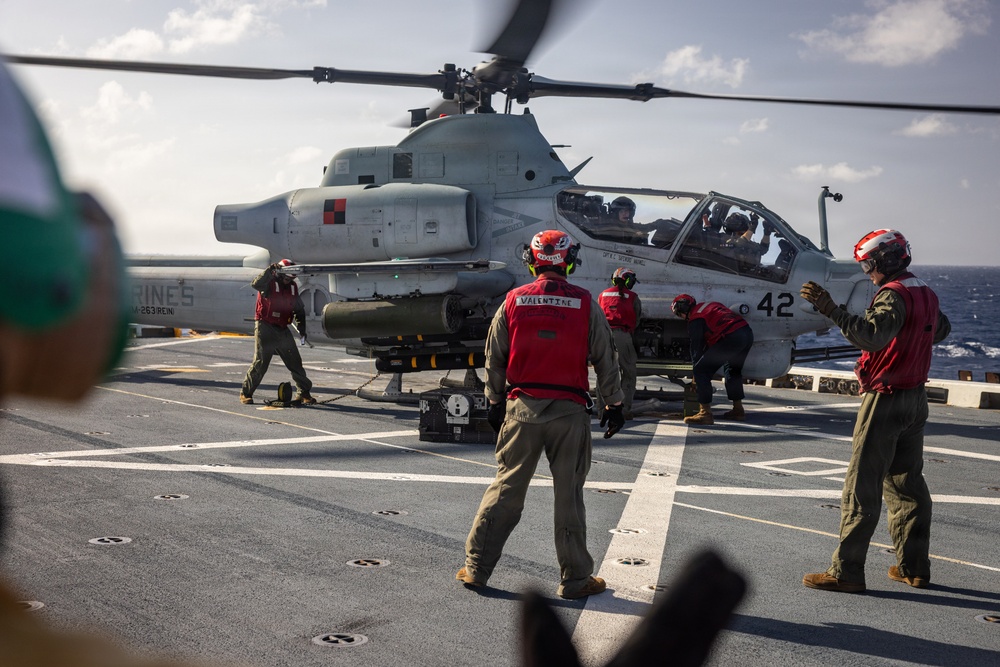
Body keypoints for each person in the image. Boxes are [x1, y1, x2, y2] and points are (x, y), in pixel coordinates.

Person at [457, 229, 625, 600]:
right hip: (569, 413)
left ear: (532, 261)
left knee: (506, 488)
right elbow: (605, 359)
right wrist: (613, 404)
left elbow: (494, 359)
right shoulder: (585, 303)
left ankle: (476, 568)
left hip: (522, 409)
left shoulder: (513, 301)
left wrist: (495, 401)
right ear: (568, 261)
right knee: (569, 496)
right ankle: (576, 580)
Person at [801, 229, 950, 594]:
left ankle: (846, 571)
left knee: (861, 487)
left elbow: (870, 336)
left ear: (885, 261)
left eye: (869, 264)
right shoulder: (924, 292)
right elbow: (941, 330)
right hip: (916, 399)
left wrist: (830, 309)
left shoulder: (893, 295)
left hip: (885, 399)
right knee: (907, 485)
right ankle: (914, 568)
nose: (868, 272)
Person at [240, 259, 316, 405]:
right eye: (287, 277)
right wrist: (269, 270)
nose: (289, 281)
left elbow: (298, 309)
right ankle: (246, 393)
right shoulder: (268, 283)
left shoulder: (293, 287)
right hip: (265, 326)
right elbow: (255, 284)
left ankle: (303, 393)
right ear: (279, 273)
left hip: (282, 328)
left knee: (295, 362)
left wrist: (302, 328)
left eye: (292, 278)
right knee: (261, 362)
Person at [671, 294, 753, 424]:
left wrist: (695, 376)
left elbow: (696, 349)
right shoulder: (710, 305)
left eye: (678, 314)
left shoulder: (695, 319)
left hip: (731, 336)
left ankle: (705, 413)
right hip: (746, 333)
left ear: (681, 310)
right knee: (733, 370)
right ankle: (738, 409)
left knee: (701, 371)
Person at [597, 267, 642, 418]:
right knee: (628, 373)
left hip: (603, 336)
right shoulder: (633, 297)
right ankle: (624, 410)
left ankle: (602, 410)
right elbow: (636, 320)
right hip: (623, 336)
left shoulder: (603, 295)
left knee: (603, 374)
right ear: (628, 280)